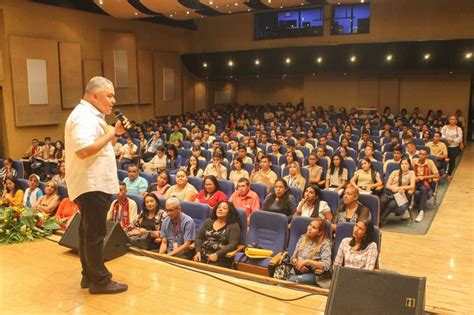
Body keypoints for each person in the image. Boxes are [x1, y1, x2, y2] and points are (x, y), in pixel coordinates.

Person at [65, 76, 128, 294]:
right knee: (95, 234)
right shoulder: (84, 117)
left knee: (86, 231)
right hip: (91, 184)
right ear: (95, 95)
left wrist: (114, 133)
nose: (113, 100)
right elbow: (84, 150)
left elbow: (101, 145)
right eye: (109, 95)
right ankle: (100, 281)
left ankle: (88, 275)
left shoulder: (94, 116)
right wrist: (111, 132)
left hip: (92, 183)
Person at [193, 201, 242, 268]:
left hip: (222, 257)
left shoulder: (233, 225)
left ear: (230, 212)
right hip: (202, 254)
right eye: (219, 207)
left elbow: (233, 244)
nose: (220, 209)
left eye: (224, 208)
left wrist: (217, 254)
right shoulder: (209, 221)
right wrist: (197, 251)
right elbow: (199, 237)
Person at [287, 218, 332, 286]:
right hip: (296, 271)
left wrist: (308, 261)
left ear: (320, 232)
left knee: (290, 281)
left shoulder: (325, 244)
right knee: (285, 279)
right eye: (310, 225)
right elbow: (293, 257)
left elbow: (326, 265)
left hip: (313, 274)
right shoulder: (303, 238)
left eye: (314, 227)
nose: (309, 228)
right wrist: (297, 263)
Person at [380, 158, 415, 225]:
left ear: (409, 165)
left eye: (406, 164)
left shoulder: (411, 173)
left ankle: (380, 220)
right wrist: (393, 188)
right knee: (382, 201)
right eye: (402, 164)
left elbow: (412, 186)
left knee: (392, 204)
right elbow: (387, 185)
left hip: (402, 194)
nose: (404, 165)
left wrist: (399, 188)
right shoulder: (395, 172)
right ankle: (376, 219)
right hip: (390, 192)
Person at [412, 148, 439, 222]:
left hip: (425, 182)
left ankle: (421, 211)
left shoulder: (430, 162)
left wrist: (424, 177)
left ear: (426, 156)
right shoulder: (414, 161)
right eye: (420, 154)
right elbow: (409, 171)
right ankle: (405, 210)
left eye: (423, 154)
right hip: (414, 181)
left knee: (424, 189)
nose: (421, 156)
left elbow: (436, 175)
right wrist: (414, 177)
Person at [441, 115, 463, 179]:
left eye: (454, 119)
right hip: (445, 146)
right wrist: (447, 139)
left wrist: (452, 140)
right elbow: (441, 135)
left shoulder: (458, 129)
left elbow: (460, 139)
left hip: (454, 147)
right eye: (451, 119)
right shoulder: (445, 127)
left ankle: (449, 175)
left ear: (456, 121)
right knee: (444, 160)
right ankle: (443, 173)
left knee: (452, 161)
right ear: (449, 120)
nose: (452, 120)